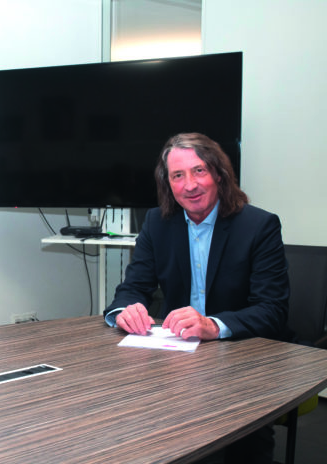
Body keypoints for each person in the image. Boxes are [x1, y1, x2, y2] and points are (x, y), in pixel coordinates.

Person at [103, 132, 289, 464]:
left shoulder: (259, 226)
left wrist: (213, 325)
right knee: (132, 428)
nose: (190, 185)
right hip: (175, 361)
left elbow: (272, 310)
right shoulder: (157, 223)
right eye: (178, 175)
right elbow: (132, 288)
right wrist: (124, 310)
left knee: (243, 447)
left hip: (241, 359)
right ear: (168, 184)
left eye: (199, 171)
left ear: (219, 174)